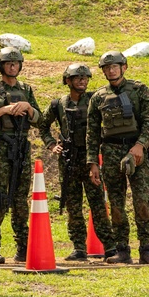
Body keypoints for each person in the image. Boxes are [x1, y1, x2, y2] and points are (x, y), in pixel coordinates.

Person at [87, 50, 149, 264]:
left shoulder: (139, 90)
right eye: (107, 67)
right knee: (116, 204)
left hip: (136, 152)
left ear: (124, 67)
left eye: (115, 66)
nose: (111, 70)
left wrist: (140, 146)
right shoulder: (98, 97)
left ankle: (146, 249)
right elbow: (92, 133)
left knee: (142, 201)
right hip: (110, 153)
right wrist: (93, 162)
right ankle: (122, 250)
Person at [39, 63, 115, 261]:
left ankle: (110, 247)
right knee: (73, 205)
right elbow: (42, 125)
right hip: (69, 159)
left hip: (90, 158)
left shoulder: (95, 100)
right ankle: (79, 247)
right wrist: (51, 145)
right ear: (68, 81)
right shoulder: (58, 104)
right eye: (78, 77)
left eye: (85, 77)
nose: (82, 80)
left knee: (98, 203)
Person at [0, 47, 42, 264]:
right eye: (8, 63)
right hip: (2, 147)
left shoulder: (26, 89)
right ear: (1, 66)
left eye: (16, 63)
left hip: (22, 147)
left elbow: (38, 118)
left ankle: (23, 247)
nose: (13, 66)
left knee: (20, 199)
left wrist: (28, 108)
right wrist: (4, 110)